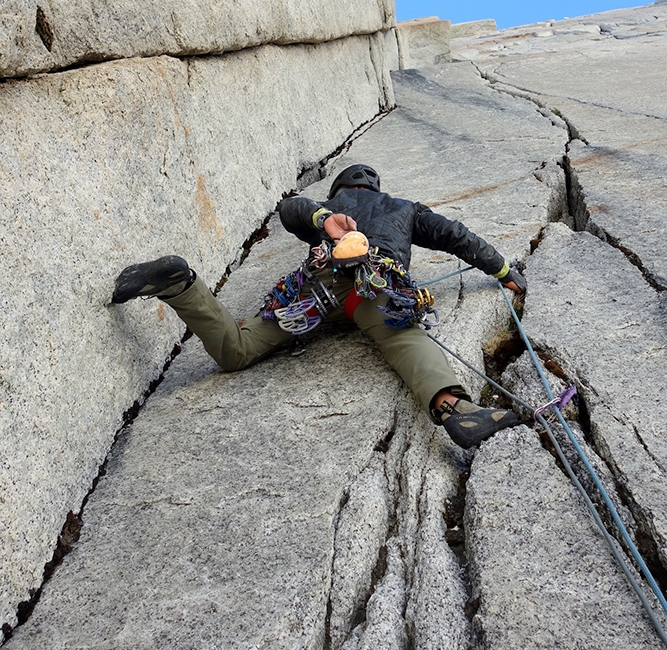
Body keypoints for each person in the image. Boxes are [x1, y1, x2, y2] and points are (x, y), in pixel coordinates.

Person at [112, 164, 525, 448]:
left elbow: (289, 208)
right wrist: (504, 271)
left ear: (340, 189)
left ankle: (183, 286)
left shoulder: (327, 209)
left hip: (315, 289)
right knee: (404, 338)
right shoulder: (404, 208)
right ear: (374, 188)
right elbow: (458, 237)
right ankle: (454, 407)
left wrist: (323, 218)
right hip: (374, 283)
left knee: (237, 349)